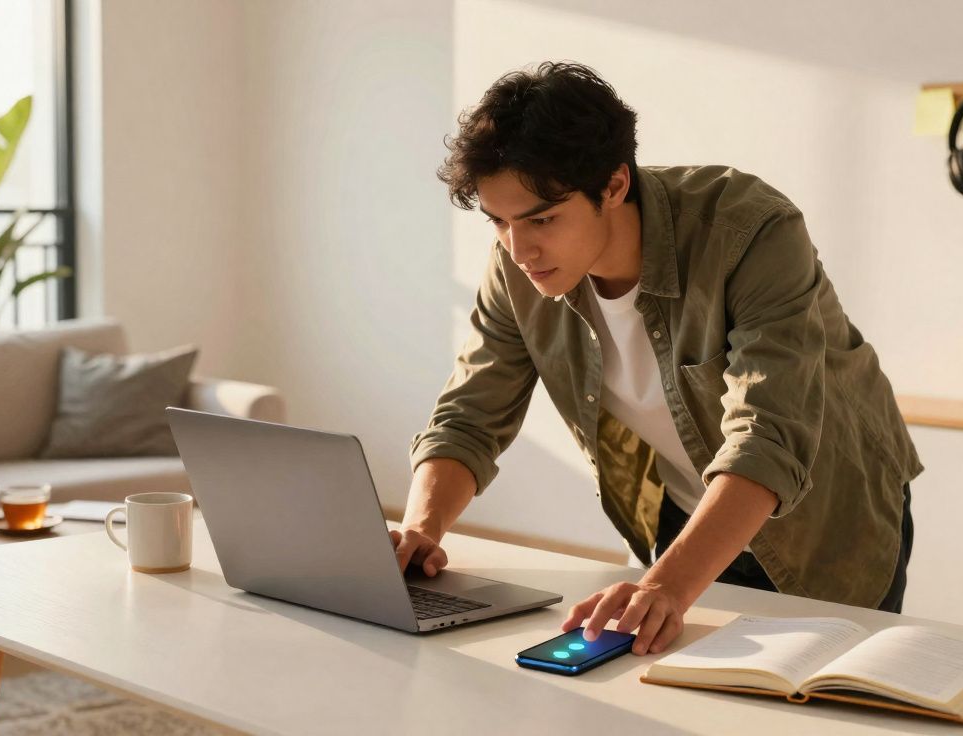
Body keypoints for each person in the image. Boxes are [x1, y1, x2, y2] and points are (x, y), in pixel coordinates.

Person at [392, 61, 922, 657]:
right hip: (680, 521)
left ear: (615, 185)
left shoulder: (749, 230)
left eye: (541, 219)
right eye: (499, 222)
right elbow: (469, 417)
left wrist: (666, 586)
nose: (520, 249)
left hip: (827, 520)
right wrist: (420, 530)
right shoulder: (518, 267)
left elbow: (769, 436)